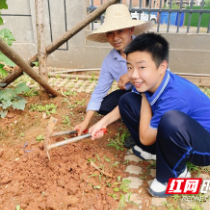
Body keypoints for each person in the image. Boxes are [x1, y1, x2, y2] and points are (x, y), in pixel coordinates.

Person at [89, 32, 210, 197]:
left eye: (142, 67)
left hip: (203, 145)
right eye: (130, 67)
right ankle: (154, 152)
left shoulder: (175, 96)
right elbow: (132, 107)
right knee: (127, 100)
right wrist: (101, 123)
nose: (133, 75)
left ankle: (176, 174)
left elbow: (146, 136)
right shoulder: (155, 82)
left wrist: (144, 94)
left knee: (171, 120)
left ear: (162, 67)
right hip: (181, 132)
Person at [74, 4, 152, 149]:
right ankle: (129, 113)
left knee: (132, 100)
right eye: (110, 32)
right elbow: (99, 91)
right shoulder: (110, 60)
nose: (115, 37)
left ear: (131, 30)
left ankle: (140, 129)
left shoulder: (146, 48)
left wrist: (130, 75)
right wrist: (86, 121)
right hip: (131, 93)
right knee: (104, 106)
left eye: (120, 31)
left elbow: (160, 76)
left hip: (151, 94)